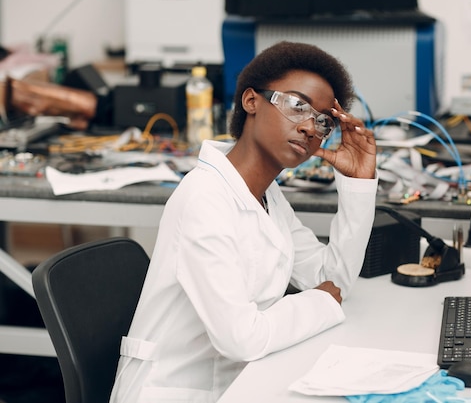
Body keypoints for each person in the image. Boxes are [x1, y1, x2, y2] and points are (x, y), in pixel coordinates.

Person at [109, 41, 378, 403]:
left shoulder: (267, 196)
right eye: (298, 106)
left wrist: (358, 186)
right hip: (171, 391)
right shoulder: (205, 199)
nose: (310, 128)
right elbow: (240, 338)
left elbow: (333, 282)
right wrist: (320, 303)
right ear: (252, 101)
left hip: (237, 384)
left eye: (322, 121)